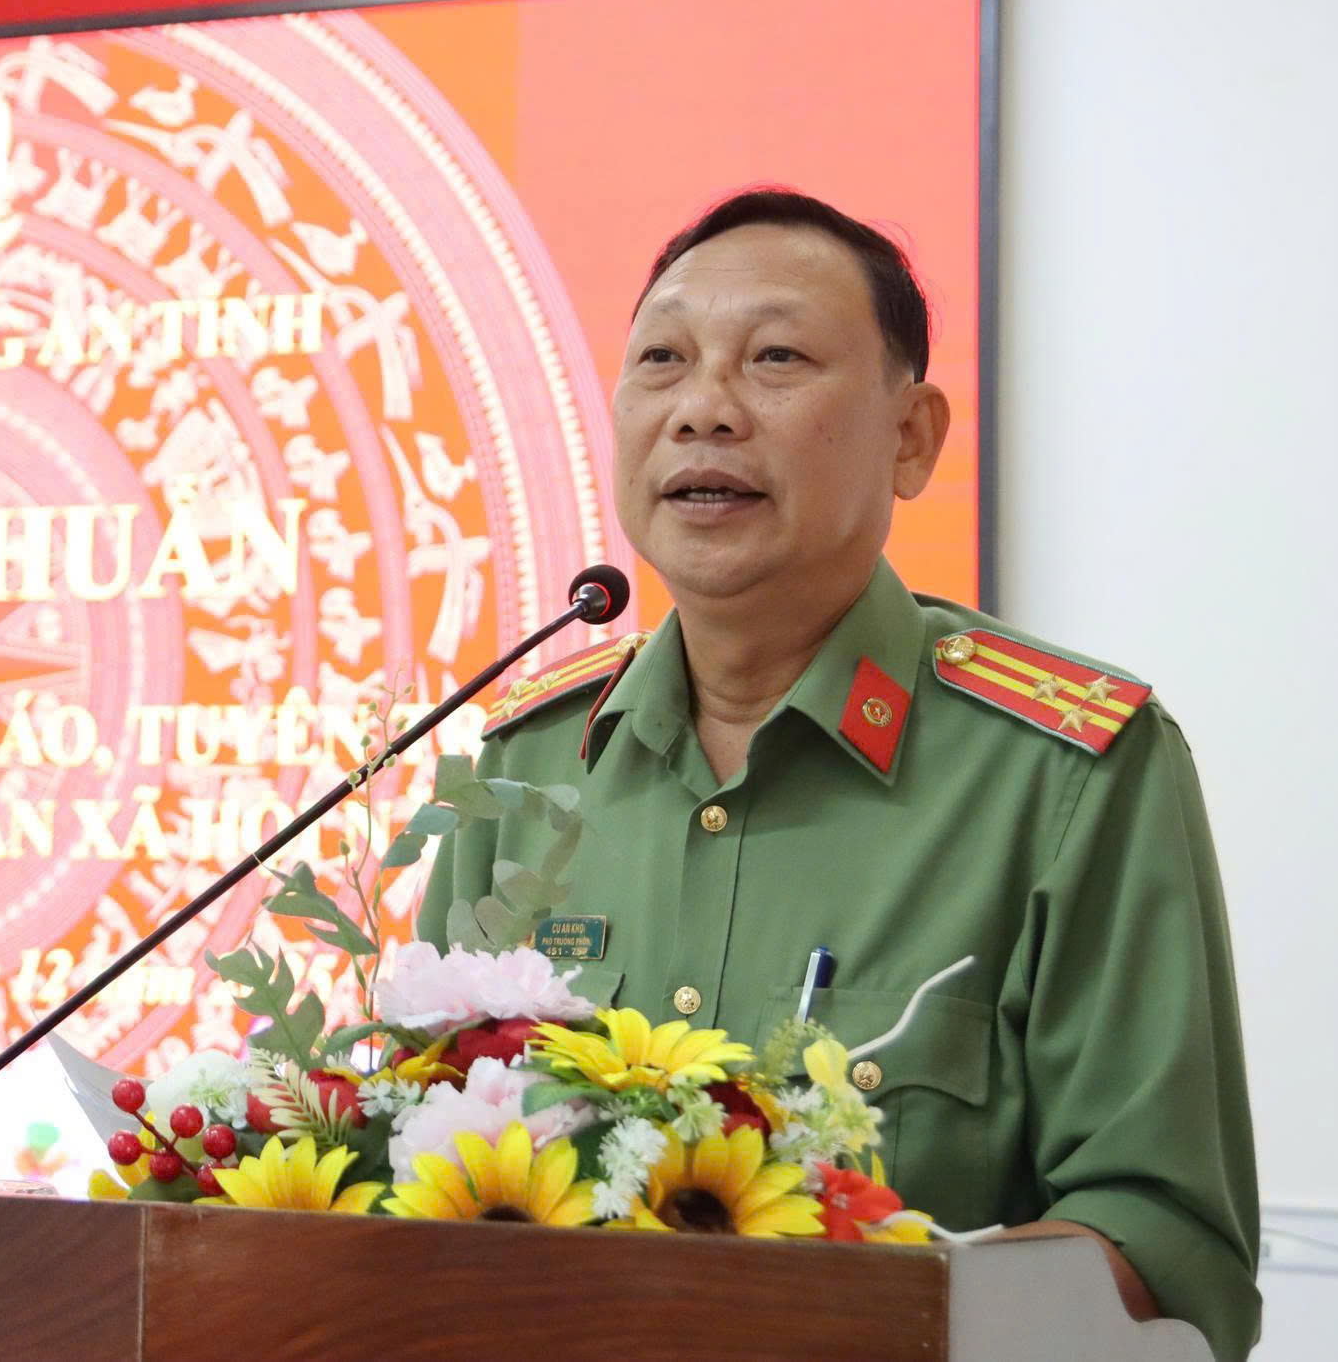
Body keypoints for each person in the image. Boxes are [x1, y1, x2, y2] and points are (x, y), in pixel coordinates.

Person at [419, 190, 1258, 1360]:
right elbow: (411, 1164)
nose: (702, 408)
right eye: (661, 359)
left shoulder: (1066, 776)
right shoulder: (522, 769)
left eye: (775, 358)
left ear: (909, 438)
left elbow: (1165, 1246)